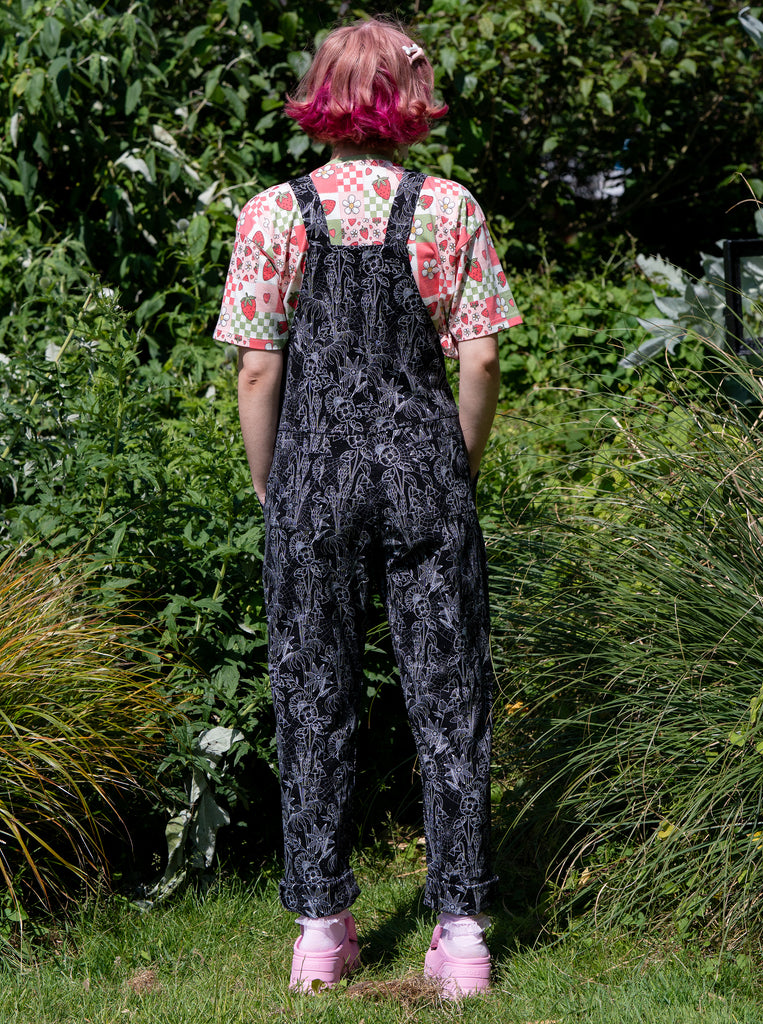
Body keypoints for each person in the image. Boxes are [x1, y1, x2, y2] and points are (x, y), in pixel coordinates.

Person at [214, 16, 521, 999]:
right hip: (425, 474)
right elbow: (478, 357)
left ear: (323, 95)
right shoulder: (450, 209)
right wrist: (454, 465)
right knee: (451, 698)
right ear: (403, 97)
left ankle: (320, 930)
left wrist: (273, 485)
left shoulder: (272, 214)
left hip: (313, 475)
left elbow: (258, 369)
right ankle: (464, 934)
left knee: (312, 693)